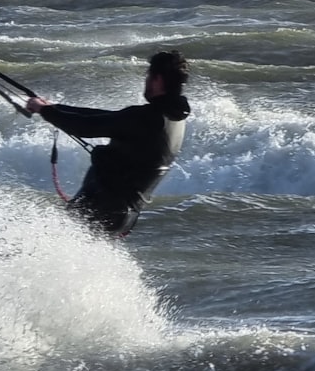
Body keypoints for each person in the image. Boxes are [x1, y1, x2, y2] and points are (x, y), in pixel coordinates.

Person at [24, 51, 191, 237]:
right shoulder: (174, 119)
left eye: (148, 75)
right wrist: (53, 108)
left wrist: (44, 111)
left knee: (40, 244)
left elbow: (87, 126)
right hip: (121, 216)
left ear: (158, 79)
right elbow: (103, 117)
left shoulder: (147, 117)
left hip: (101, 207)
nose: (146, 80)